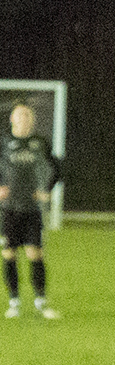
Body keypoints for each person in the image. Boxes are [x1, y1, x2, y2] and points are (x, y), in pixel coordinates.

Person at [1, 101, 59, 320]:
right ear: (12, 119)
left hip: (32, 209)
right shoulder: (4, 143)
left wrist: (47, 190)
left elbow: (55, 168)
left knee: (35, 253)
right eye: (20, 115)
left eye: (27, 115)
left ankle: (41, 302)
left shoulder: (40, 143)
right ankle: (14, 302)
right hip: (8, 209)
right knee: (9, 253)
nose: (24, 118)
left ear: (32, 120)